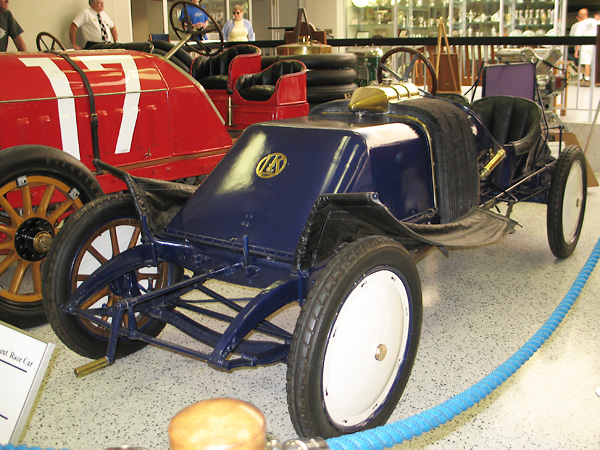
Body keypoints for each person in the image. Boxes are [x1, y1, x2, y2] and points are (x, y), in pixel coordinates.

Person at [572, 8, 597, 86]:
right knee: (594, 63)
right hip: (595, 45)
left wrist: (576, 50)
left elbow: (577, 39)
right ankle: (594, 79)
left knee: (586, 62)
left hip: (585, 46)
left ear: (579, 16)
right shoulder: (594, 22)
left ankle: (586, 79)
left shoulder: (581, 24)